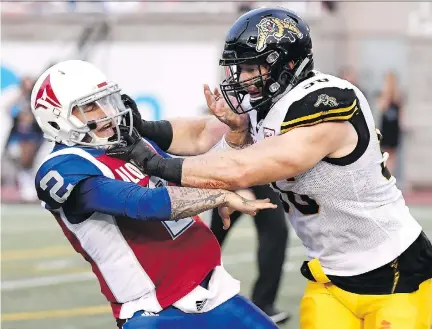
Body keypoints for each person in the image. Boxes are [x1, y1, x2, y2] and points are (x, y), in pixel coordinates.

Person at [108, 7, 432, 329]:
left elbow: (242, 169)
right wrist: (143, 128)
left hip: (396, 270)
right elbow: (203, 133)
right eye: (239, 68)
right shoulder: (267, 105)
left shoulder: (327, 105)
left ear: (288, 64)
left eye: (251, 67)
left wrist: (152, 162)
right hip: (332, 277)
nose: (243, 79)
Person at [31, 60, 280, 329]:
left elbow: (188, 175)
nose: (106, 113)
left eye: (106, 101)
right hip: (154, 312)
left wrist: (236, 135)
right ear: (57, 118)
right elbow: (143, 203)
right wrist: (219, 196)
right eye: (89, 107)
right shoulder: (62, 167)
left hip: (214, 291)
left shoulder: (129, 142)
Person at [210, 184, 290, 324]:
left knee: (276, 233)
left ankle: (263, 304)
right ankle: (186, 293)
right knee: (212, 239)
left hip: (263, 179)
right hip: (230, 178)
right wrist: (237, 187)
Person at [377, 71, 403, 175]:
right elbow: (382, 108)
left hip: (394, 127)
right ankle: (386, 173)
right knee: (385, 153)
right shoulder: (383, 94)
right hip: (386, 127)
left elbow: (401, 112)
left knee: (393, 153)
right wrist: (387, 95)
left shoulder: (398, 95)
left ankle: (391, 174)